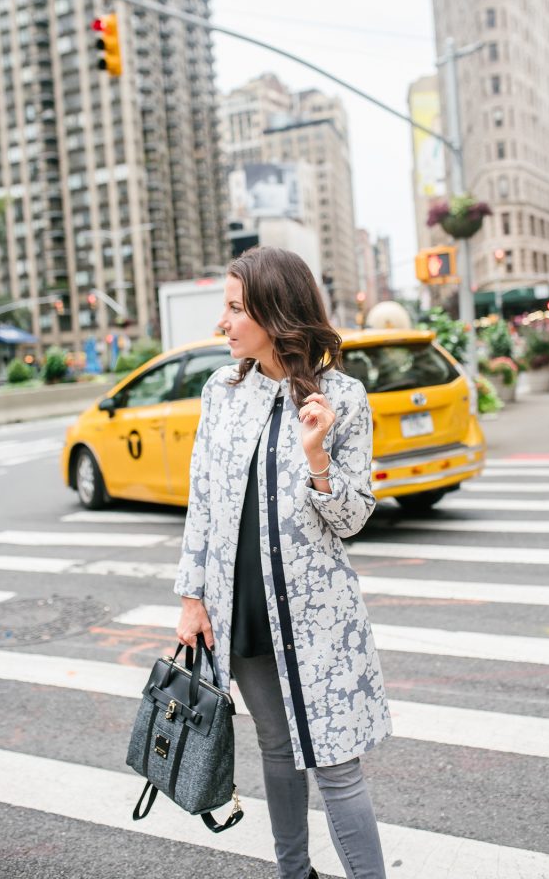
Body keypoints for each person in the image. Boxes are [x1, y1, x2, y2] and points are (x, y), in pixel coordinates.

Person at [175, 246, 391, 879]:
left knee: (336, 763)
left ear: (276, 311)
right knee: (275, 747)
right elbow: (203, 501)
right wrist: (191, 598)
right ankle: (294, 873)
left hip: (313, 611)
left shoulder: (343, 398)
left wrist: (317, 455)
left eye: (237, 308)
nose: (224, 322)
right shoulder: (221, 390)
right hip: (236, 606)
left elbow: (354, 518)